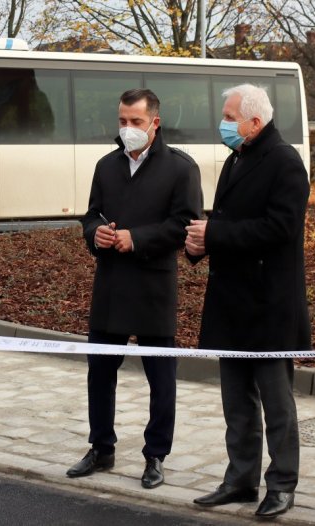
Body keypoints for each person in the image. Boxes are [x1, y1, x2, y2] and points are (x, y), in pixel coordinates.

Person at [67, 89, 202, 489]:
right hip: (110, 285)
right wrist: (98, 235)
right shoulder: (106, 165)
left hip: (153, 286)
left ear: (154, 123)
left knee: (161, 379)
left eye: (136, 122)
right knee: (99, 374)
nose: (127, 129)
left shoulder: (181, 168)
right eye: (122, 121)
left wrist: (136, 238)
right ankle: (101, 447)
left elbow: (185, 225)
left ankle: (156, 454)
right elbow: (90, 215)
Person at [187, 84, 310, 518]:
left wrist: (215, 235)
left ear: (254, 122)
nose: (222, 123)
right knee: (236, 401)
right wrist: (200, 244)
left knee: (277, 403)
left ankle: (282, 485)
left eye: (228, 115)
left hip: (269, 304)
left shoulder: (286, 162)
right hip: (231, 302)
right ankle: (240, 479)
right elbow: (224, 222)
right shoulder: (237, 159)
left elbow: (280, 228)